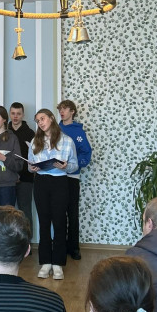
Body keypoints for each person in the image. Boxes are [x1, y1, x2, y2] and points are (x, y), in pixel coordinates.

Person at [28, 108, 78, 280]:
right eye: (37, 121)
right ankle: (45, 262)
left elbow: (74, 165)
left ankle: (58, 263)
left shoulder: (67, 140)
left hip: (60, 182)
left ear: (51, 118)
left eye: (42, 119)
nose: (40, 123)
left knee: (59, 222)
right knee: (43, 222)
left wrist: (65, 166)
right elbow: (30, 165)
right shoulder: (35, 141)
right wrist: (32, 168)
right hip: (41, 182)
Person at [58, 99, 92, 260]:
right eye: (60, 109)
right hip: (56, 177)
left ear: (72, 111)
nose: (62, 112)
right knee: (58, 213)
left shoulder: (79, 132)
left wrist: (75, 164)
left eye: (65, 109)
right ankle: (60, 246)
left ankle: (74, 247)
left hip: (72, 177)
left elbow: (86, 152)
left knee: (72, 213)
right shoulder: (55, 129)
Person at [8, 102, 35, 234]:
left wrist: (21, 174)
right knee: (7, 212)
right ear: (9, 114)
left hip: (25, 178)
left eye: (18, 114)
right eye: (13, 113)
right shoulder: (5, 132)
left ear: (23, 115)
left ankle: (26, 241)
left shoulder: (30, 133)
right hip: (7, 178)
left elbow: (34, 157)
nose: (15, 116)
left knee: (25, 211)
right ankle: (9, 241)